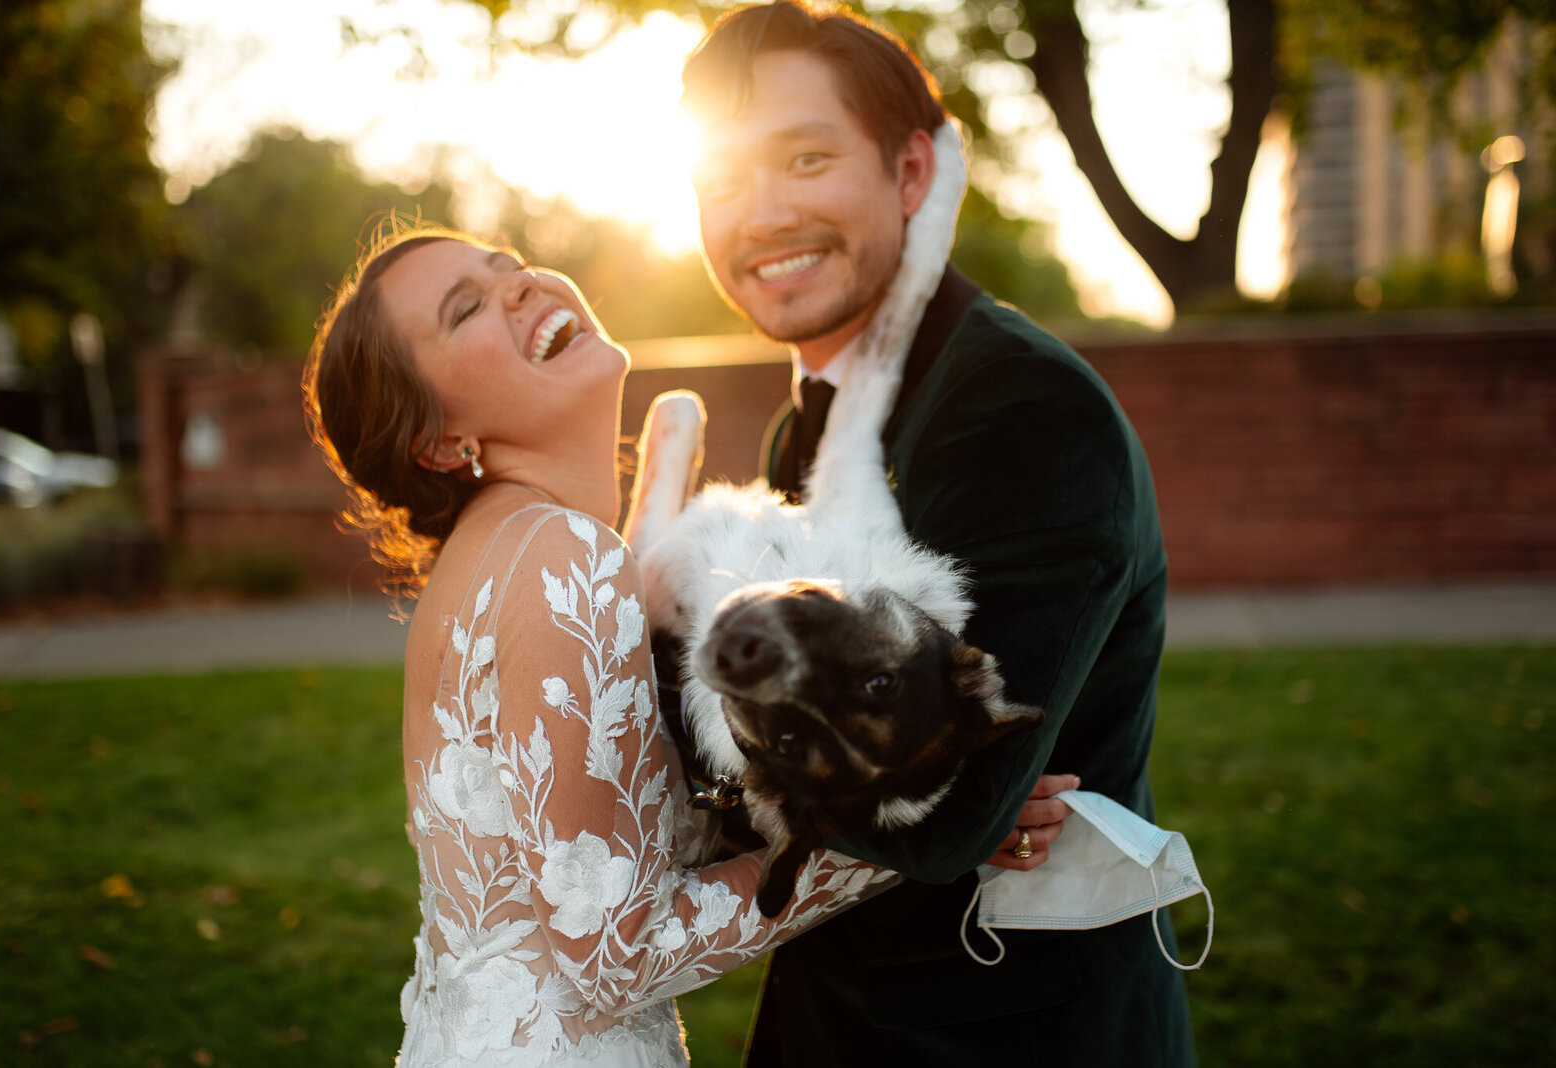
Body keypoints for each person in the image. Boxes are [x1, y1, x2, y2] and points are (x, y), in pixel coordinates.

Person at [303, 228, 1074, 1066]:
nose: (520, 288)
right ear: (443, 443)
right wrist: (922, 832)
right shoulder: (560, 556)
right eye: (468, 309)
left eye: (510, 267)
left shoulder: (502, 557)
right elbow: (616, 956)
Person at [680, 2, 1197, 1064]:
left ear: (912, 174)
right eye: (721, 180)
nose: (761, 213)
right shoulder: (801, 426)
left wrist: (701, 703)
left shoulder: (1022, 409)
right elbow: (868, 770)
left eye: (806, 158)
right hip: (832, 1016)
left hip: (1008, 1032)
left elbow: (950, 801)